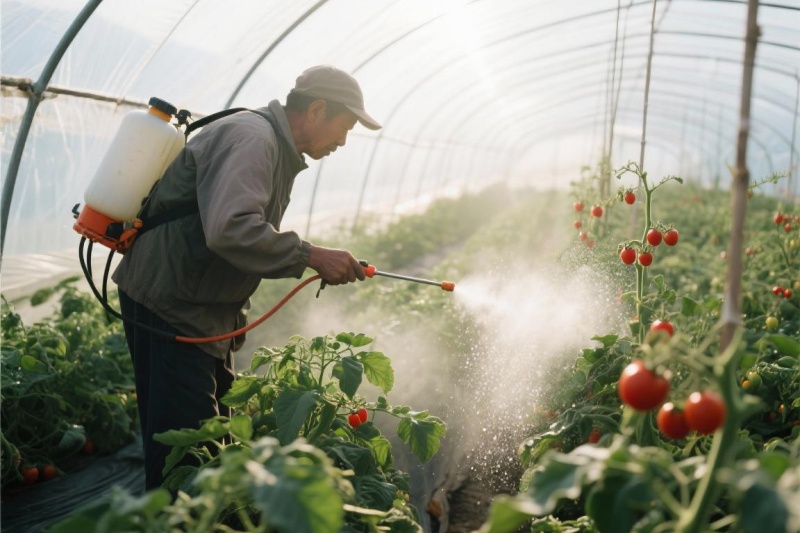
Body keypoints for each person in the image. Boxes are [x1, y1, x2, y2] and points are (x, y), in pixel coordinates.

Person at [111, 65, 382, 490]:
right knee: (185, 458)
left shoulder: (272, 144)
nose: (343, 141)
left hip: (197, 309)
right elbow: (231, 228)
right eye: (344, 127)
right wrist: (310, 255)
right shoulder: (253, 139)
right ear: (315, 109)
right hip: (172, 306)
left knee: (208, 441)